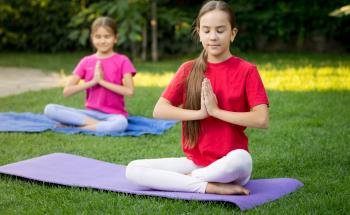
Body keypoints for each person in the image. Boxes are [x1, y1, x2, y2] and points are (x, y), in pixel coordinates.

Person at [126, 1, 269, 195]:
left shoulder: (247, 71)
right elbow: (160, 110)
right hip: (195, 162)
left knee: (242, 159)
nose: (213, 37)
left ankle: (185, 181)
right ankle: (208, 186)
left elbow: (261, 119)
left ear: (233, 33)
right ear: (199, 33)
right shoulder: (188, 69)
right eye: (207, 30)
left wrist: (216, 111)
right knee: (133, 169)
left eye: (220, 30)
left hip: (230, 166)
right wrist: (201, 113)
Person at [44, 17, 136, 132]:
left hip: (114, 115)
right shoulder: (86, 61)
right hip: (89, 114)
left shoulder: (123, 60)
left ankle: (77, 128)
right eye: (98, 37)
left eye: (107, 36)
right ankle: (98, 125)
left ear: (115, 38)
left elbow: (130, 91)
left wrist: (102, 82)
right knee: (50, 109)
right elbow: (67, 91)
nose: (102, 41)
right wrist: (93, 82)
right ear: (92, 38)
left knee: (121, 124)